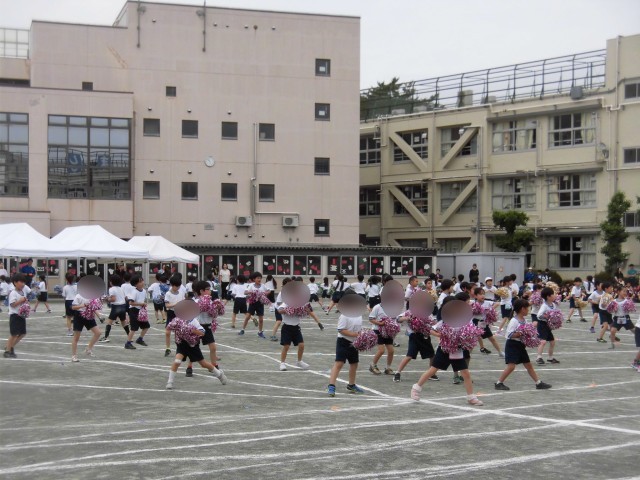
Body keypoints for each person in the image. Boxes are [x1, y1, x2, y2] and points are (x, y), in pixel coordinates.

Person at [411, 297, 483, 406]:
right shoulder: (444, 321)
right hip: (444, 349)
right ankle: (416, 388)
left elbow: (470, 330)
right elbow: (431, 330)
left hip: (457, 350)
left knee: (466, 373)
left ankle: (471, 397)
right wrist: (440, 335)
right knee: (432, 370)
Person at [494, 299, 552, 391]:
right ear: (522, 309)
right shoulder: (514, 321)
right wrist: (522, 333)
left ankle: (538, 383)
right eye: (527, 308)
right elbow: (509, 335)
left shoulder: (524, 320)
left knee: (528, 365)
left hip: (520, 345)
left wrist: (531, 330)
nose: (528, 310)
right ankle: (498, 383)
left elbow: (526, 331)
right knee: (511, 366)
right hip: (512, 345)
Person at [165, 315, 227, 390]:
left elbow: (202, 332)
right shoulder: (177, 320)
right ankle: (170, 382)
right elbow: (168, 328)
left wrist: (192, 330)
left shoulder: (193, 321)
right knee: (177, 361)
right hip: (182, 345)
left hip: (193, 346)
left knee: (203, 364)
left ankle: (219, 374)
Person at [327, 292, 365, 396]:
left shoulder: (359, 315)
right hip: (343, 342)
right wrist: (356, 334)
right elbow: (341, 330)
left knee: (354, 363)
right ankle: (331, 386)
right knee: (339, 363)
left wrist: (363, 335)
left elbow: (358, 329)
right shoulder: (344, 315)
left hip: (354, 343)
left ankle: (351, 385)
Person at [185, 281, 222, 377]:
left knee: (213, 347)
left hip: (207, 326)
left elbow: (214, 314)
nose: (210, 291)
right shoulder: (196, 302)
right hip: (197, 327)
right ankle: (189, 367)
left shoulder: (211, 301)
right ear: (201, 291)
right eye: (208, 289)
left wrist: (218, 307)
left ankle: (214, 366)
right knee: (193, 347)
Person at [277, 300, 310, 371]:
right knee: (286, 346)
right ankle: (282, 363)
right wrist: (288, 310)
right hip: (286, 327)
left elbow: (307, 312)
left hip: (296, 327)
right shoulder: (287, 303)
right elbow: (279, 310)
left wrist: (306, 310)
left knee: (301, 345)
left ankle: (299, 361)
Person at [70, 292, 102, 362]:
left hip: (89, 315)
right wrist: (83, 305)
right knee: (76, 337)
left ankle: (88, 349)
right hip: (79, 316)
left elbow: (93, 308)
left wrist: (99, 316)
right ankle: (74, 356)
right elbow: (73, 307)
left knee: (98, 333)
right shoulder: (78, 296)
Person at [472, 287, 504, 357]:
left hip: (482, 322)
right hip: (475, 322)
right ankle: (467, 354)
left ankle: (500, 352)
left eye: (483, 294)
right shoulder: (473, 303)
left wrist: (490, 309)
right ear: (475, 296)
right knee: (473, 339)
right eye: (480, 294)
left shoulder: (487, 303)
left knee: (491, 338)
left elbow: (497, 303)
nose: (483, 295)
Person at [4, 273, 29, 358]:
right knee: (14, 334)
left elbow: (22, 302)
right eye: (21, 282)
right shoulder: (13, 293)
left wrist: (25, 302)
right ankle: (7, 351)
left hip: (21, 315)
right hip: (15, 316)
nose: (23, 284)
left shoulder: (22, 292)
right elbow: (12, 304)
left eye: (24, 282)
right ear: (15, 282)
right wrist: (21, 301)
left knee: (22, 333)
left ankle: (10, 347)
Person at [99, 275, 130, 344]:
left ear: (111, 282)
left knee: (109, 322)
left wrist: (107, 299)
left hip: (116, 307)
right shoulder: (121, 288)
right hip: (123, 306)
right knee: (123, 322)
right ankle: (129, 336)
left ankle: (106, 337)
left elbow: (113, 299)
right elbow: (126, 298)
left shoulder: (111, 289)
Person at [368, 302, 395, 376]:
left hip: (387, 331)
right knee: (381, 350)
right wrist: (380, 323)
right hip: (377, 330)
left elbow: (394, 319)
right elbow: (371, 319)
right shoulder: (377, 307)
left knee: (391, 351)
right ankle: (373, 365)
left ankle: (388, 368)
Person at [535, 287, 560, 365]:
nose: (555, 295)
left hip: (548, 325)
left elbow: (555, 313)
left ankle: (550, 358)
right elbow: (539, 315)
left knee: (552, 341)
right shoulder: (544, 305)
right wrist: (547, 317)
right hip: (542, 325)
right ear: (548, 296)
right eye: (553, 294)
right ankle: (539, 358)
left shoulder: (553, 305)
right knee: (543, 341)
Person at [240, 272, 269, 338]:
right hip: (252, 303)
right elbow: (245, 292)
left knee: (261, 319)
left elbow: (269, 291)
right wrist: (250, 292)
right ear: (254, 279)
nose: (259, 279)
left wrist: (265, 293)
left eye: (260, 278)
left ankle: (260, 332)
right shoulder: (251, 285)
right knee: (247, 317)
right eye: (258, 278)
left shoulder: (263, 285)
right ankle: (242, 329)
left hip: (260, 303)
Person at [125, 275, 149, 349]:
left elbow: (142, 300)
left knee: (146, 326)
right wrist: (141, 304)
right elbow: (131, 303)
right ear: (135, 284)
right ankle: (128, 343)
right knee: (133, 328)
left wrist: (143, 304)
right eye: (140, 282)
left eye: (142, 281)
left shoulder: (144, 291)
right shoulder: (134, 292)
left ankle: (140, 339)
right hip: (134, 311)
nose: (142, 283)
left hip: (140, 311)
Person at [163, 275, 185, 357]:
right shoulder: (168, 294)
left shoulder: (181, 293)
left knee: (179, 332)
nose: (179, 288)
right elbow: (167, 305)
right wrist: (175, 304)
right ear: (173, 285)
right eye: (177, 286)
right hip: (171, 313)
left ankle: (180, 349)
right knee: (167, 331)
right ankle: (168, 348)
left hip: (179, 313)